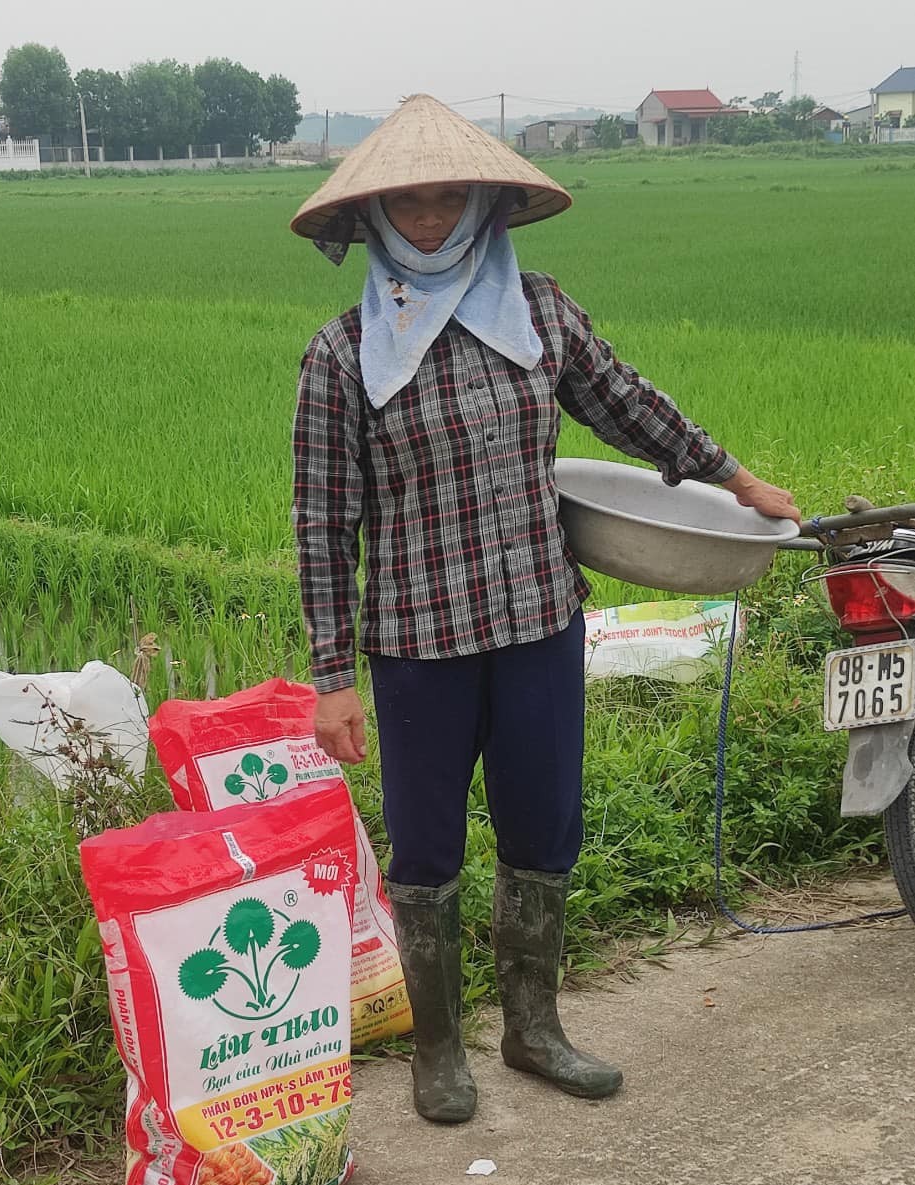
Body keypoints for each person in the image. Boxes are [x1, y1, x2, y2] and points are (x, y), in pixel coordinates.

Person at [289, 95, 799, 1125]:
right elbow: (319, 521)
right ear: (376, 219)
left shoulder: (538, 314)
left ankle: (534, 1028)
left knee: (542, 827)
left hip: (536, 622)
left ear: (483, 202)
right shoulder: (342, 357)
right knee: (427, 846)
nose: (429, 219)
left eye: (447, 197)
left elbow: (626, 401)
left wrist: (735, 477)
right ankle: (438, 1048)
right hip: (419, 641)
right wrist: (331, 677)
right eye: (407, 204)